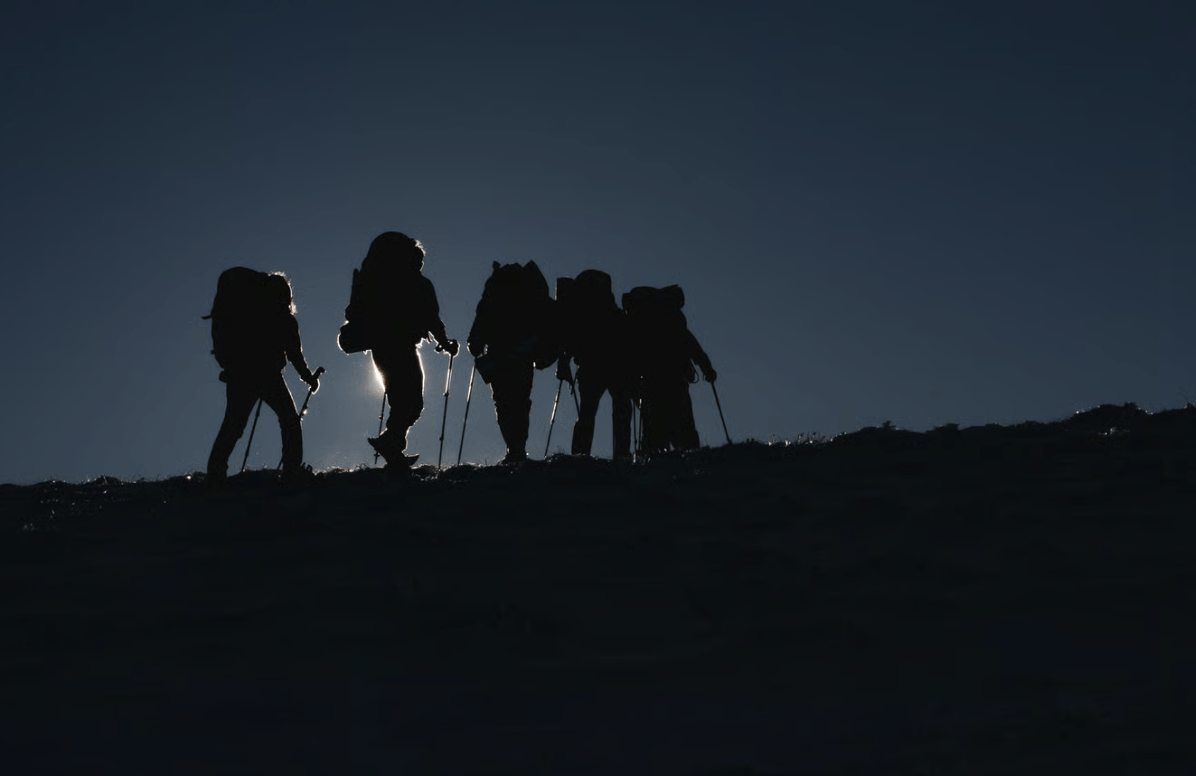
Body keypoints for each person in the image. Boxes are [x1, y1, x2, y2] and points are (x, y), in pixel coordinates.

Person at [338, 231, 458, 468]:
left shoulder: (380, 283)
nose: (420, 264)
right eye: (418, 259)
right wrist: (444, 343)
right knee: (412, 401)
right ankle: (391, 442)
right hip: (401, 347)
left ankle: (392, 445)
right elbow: (433, 319)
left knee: (402, 399)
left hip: (382, 347)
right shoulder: (419, 285)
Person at [205, 268, 321, 486]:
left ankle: (215, 474)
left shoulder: (250, 313)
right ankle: (292, 471)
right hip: (268, 377)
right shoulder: (285, 320)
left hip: (241, 374)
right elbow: (295, 355)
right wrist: (309, 378)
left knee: (233, 425)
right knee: (290, 422)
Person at [466, 261, 560, 463]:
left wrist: (475, 344)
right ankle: (518, 448)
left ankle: (513, 448)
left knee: (504, 404)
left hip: (498, 357)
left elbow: (479, 326)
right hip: (522, 357)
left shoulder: (492, 297)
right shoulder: (527, 297)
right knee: (520, 402)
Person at [622, 284, 716, 453]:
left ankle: (653, 467)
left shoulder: (645, 326)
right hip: (676, 382)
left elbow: (632, 355)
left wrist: (632, 383)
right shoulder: (675, 324)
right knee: (684, 431)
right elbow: (694, 349)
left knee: (654, 434)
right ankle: (690, 466)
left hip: (650, 385)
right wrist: (707, 370)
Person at [555, 270, 635, 460]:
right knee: (621, 411)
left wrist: (564, 362)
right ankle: (621, 454)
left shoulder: (583, 315)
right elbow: (629, 341)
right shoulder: (615, 314)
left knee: (587, 413)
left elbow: (571, 341)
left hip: (591, 368)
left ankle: (580, 455)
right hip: (617, 367)